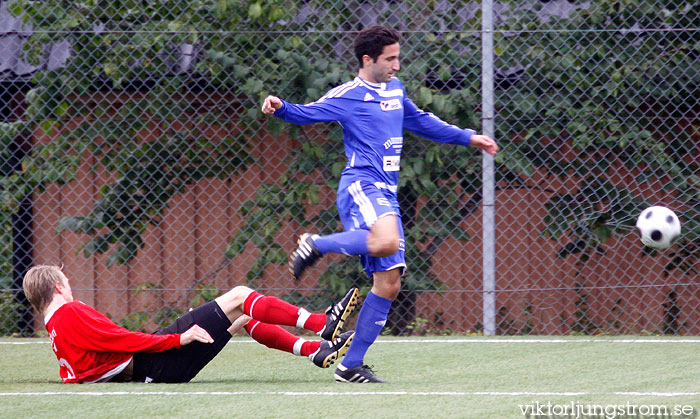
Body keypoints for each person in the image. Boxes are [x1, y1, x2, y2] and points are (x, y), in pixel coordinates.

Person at [261, 25, 498, 383]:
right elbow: (307, 112)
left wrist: (467, 137)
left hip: (385, 192)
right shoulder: (349, 94)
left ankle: (349, 364)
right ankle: (316, 243)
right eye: (390, 58)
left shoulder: (395, 90)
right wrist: (280, 108)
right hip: (361, 185)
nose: (397, 65)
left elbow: (420, 121)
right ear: (367, 59)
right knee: (386, 241)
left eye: (398, 57)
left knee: (389, 284)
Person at [22, 264, 359, 383]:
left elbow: (78, 373)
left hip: (152, 370)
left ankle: (313, 350)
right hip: (159, 361)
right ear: (58, 287)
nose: (71, 286)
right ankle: (321, 323)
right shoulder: (69, 313)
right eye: (66, 281)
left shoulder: (54, 327)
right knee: (241, 295)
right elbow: (122, 340)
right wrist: (176, 339)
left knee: (240, 315)